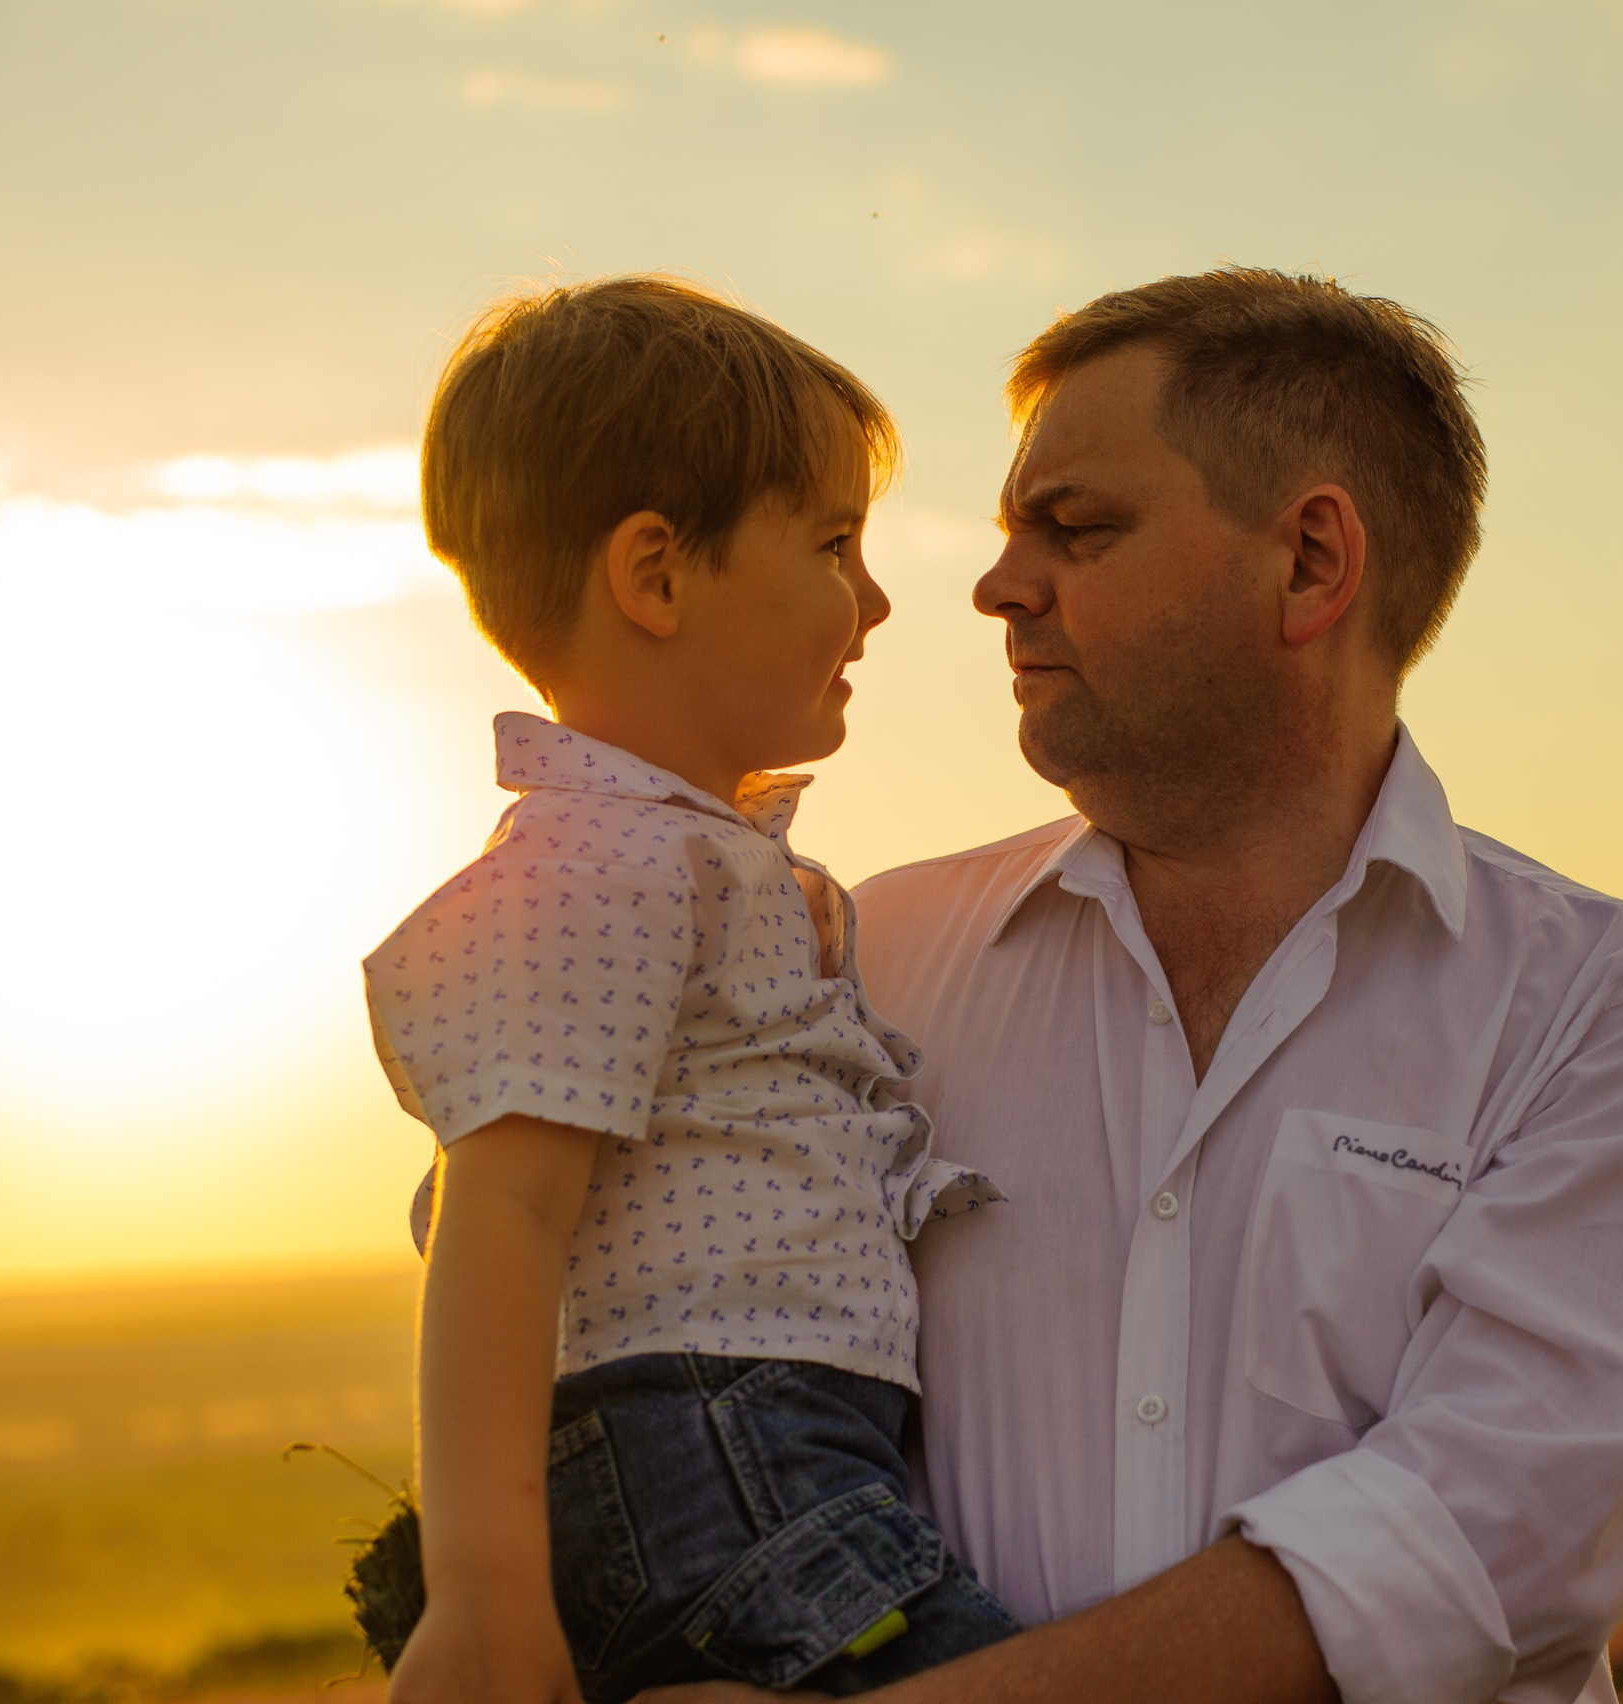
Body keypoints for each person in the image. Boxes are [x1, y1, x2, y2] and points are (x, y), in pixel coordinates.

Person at [644, 268, 1623, 1704]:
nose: (997, 586)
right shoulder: (865, 960)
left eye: (1077, 528)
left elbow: (1463, 1554)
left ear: (1310, 561)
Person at [362, 275, 1017, 1704]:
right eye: (838, 544)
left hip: (765, 1457)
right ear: (656, 575)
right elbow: (505, 1213)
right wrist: (482, 1595)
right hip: (723, 1457)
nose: (882, 600)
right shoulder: (601, 863)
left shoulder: (687, 862)